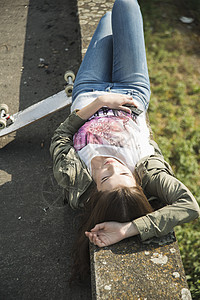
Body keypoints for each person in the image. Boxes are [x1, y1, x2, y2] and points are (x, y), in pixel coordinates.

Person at [50, 0, 200, 282]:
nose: (112, 166)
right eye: (123, 173)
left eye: (106, 178)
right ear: (136, 180)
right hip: (132, 87)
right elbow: (190, 206)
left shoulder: (75, 179)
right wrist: (129, 229)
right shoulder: (148, 176)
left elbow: (59, 136)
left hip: (88, 90)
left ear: (95, 191)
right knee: (126, 5)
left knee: (107, 17)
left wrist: (100, 103)